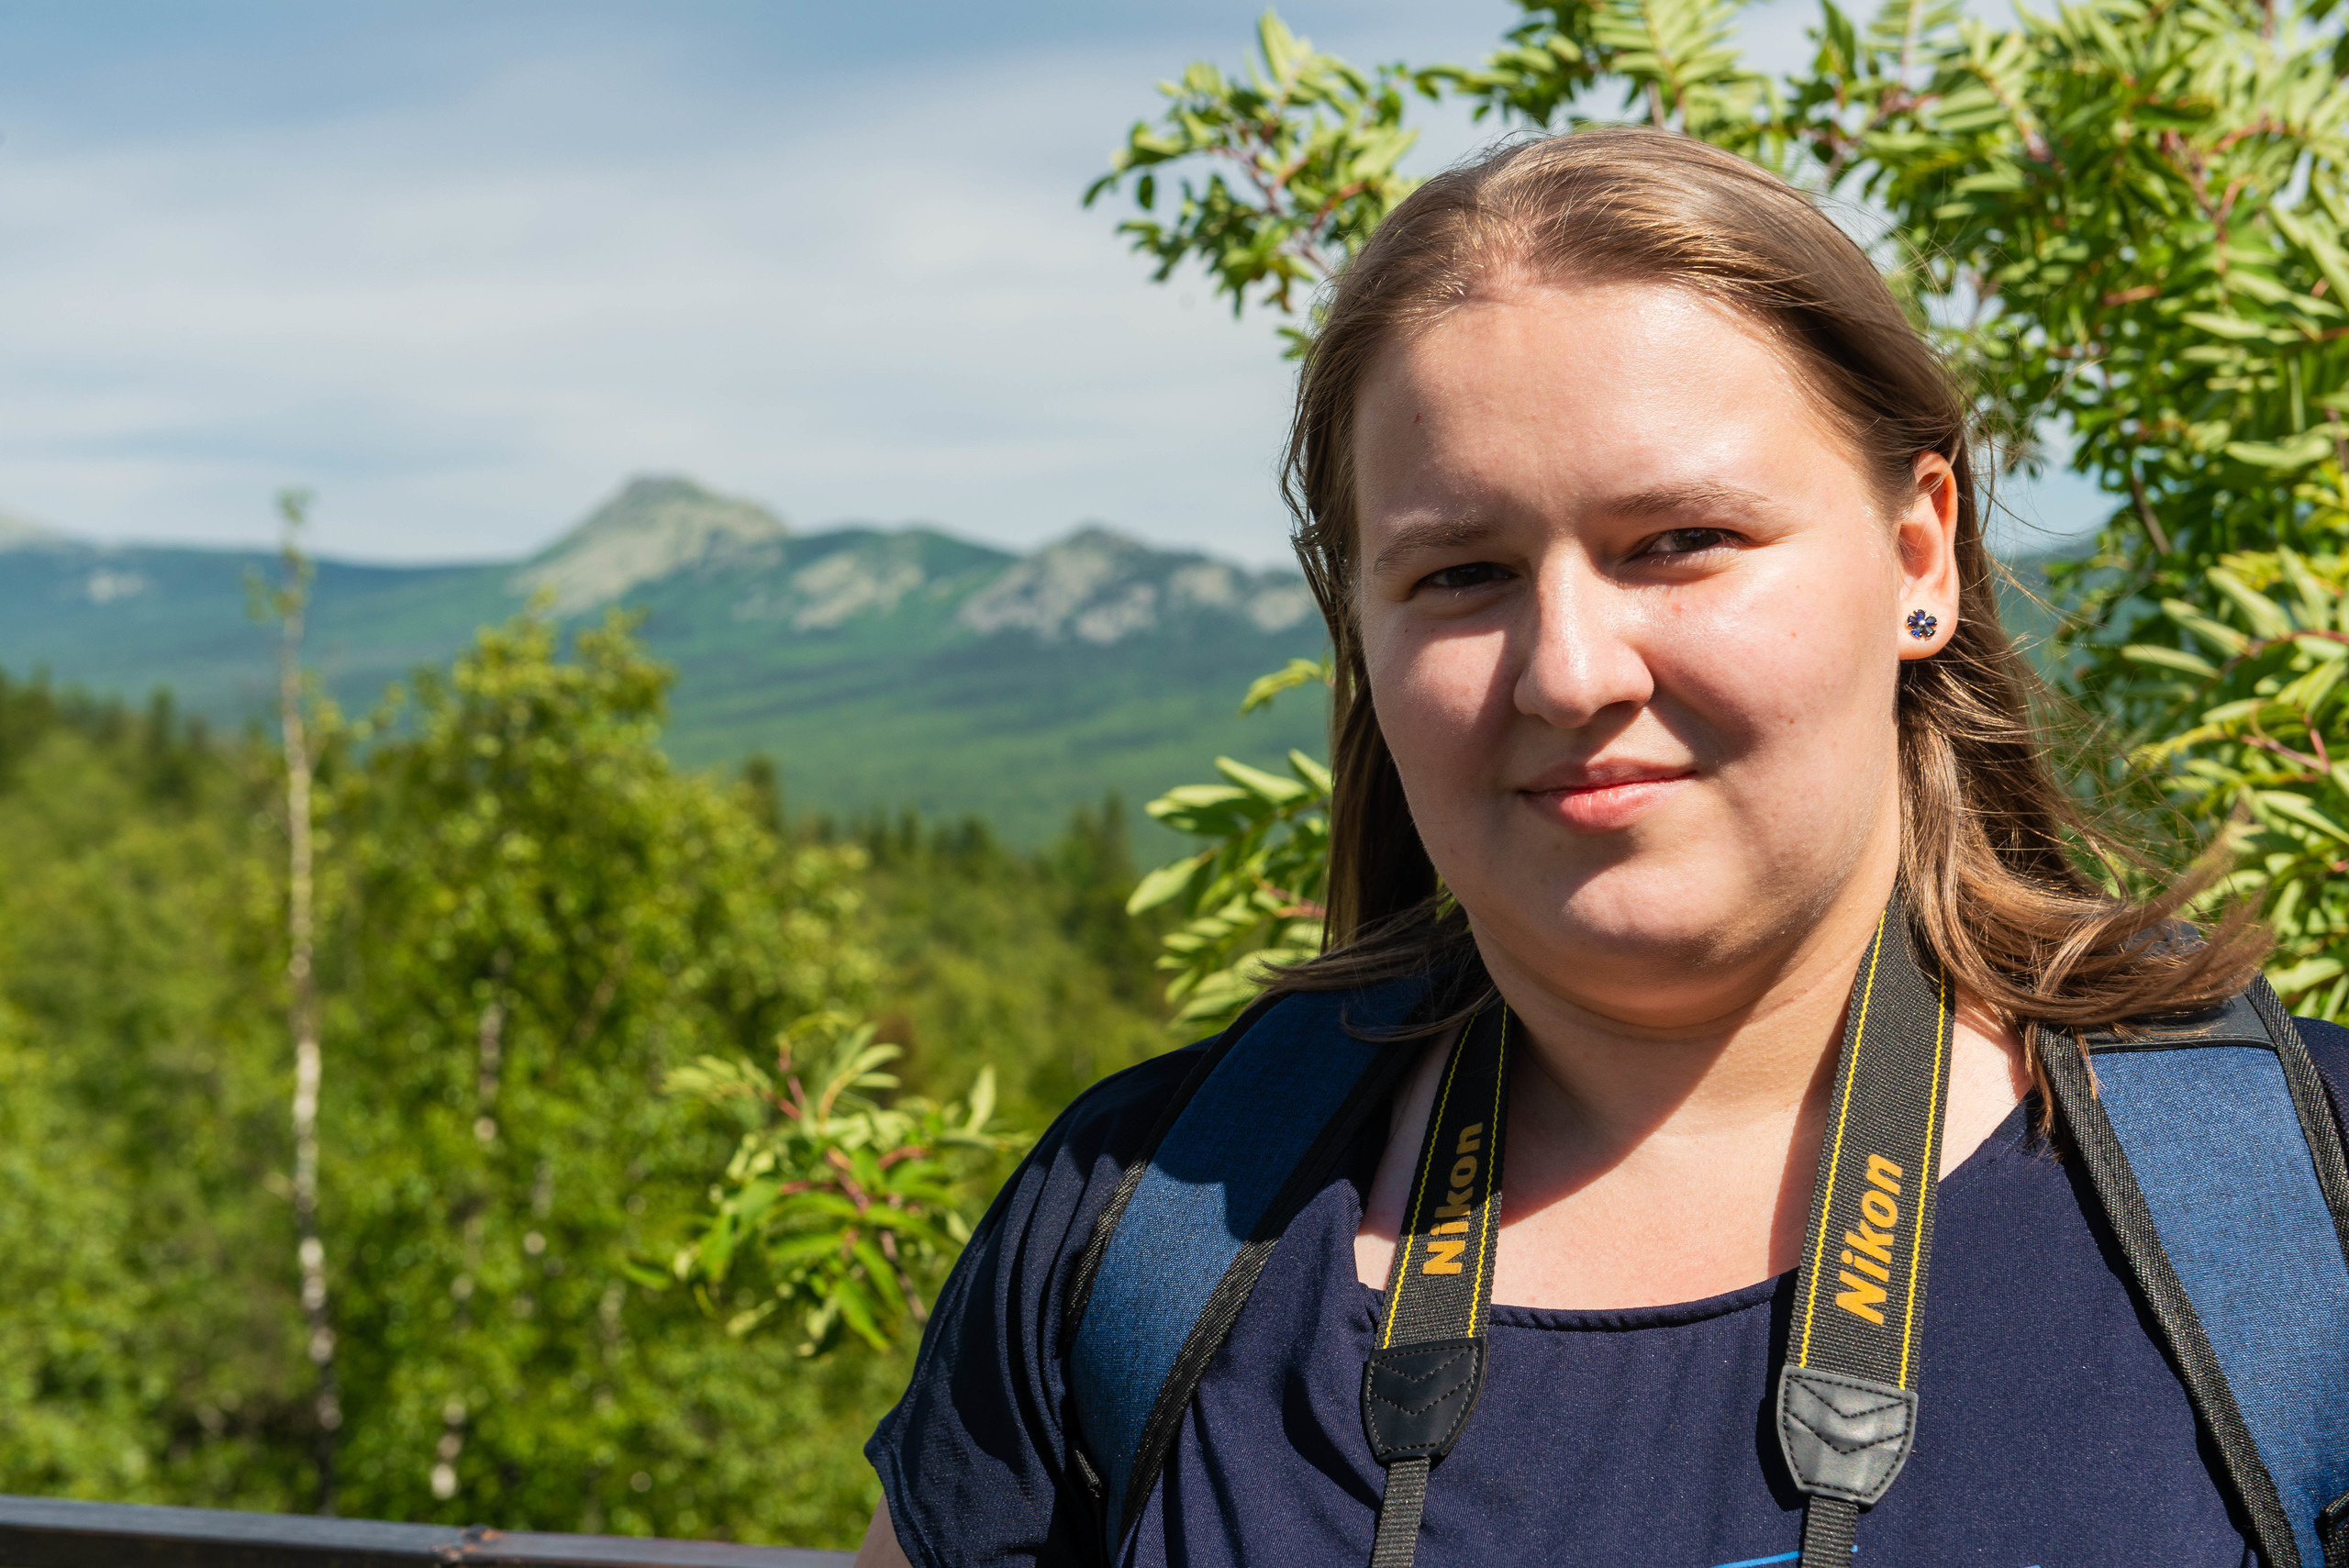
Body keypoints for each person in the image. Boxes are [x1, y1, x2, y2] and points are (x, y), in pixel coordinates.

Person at [852, 128, 2349, 1567]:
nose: (1570, 670)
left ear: (1919, 552)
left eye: (1681, 539)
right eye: (1461, 572)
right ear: (1360, 629)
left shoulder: (2290, 1215)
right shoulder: (1146, 1225)